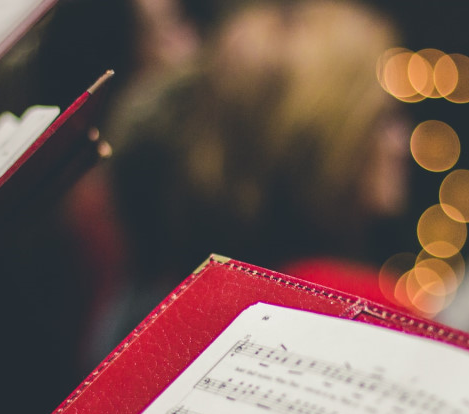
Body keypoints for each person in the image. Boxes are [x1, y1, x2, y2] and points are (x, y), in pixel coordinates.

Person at [94, 0, 409, 357]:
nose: (401, 143)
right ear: (325, 140)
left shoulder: (176, 309)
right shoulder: (363, 308)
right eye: (383, 119)